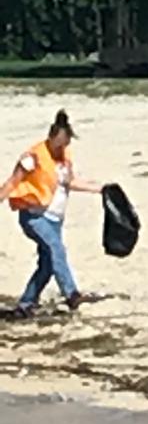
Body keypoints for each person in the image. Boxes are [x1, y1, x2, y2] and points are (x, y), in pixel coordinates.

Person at [0, 110, 103, 317]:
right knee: (56, 249)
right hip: (34, 216)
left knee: (47, 263)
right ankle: (72, 294)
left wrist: (100, 189)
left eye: (64, 145)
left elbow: (69, 182)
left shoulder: (65, 158)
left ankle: (26, 303)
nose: (61, 149)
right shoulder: (33, 157)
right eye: (58, 145)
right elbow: (13, 182)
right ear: (50, 138)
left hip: (55, 219)